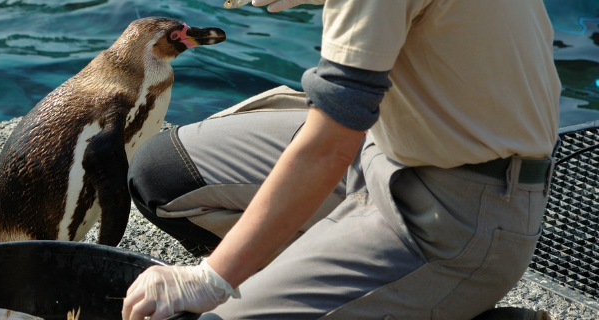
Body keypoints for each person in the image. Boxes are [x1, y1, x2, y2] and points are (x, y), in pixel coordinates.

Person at [122, 0, 561, 319]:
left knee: (218, 316)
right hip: (388, 142)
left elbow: (327, 147)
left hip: (456, 210)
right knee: (163, 173)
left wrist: (211, 279)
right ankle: (343, 287)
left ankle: (416, 298)